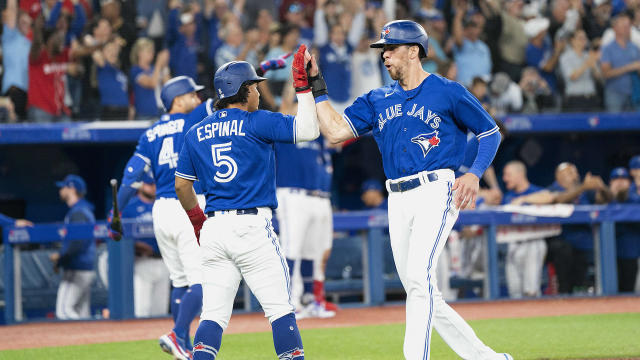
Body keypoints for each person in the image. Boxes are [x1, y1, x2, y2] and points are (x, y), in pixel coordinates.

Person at [306, 20, 512, 359]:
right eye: (383, 50)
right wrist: (317, 86)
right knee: (422, 288)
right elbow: (334, 131)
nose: (384, 56)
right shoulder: (377, 98)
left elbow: (490, 133)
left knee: (418, 279)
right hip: (396, 197)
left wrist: (474, 173)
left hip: (435, 189)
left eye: (391, 49)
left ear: (413, 51)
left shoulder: (448, 91)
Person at [174, 48, 319, 359]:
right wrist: (304, 88)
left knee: (213, 316)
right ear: (242, 90)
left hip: (213, 228)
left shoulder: (196, 132)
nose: (256, 91)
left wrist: (199, 221)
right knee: (280, 310)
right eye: (253, 86)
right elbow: (309, 129)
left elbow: (181, 186)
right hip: (251, 226)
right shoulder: (257, 121)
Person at [111, 75, 214, 360]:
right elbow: (227, 97)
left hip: (162, 210)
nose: (197, 98)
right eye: (192, 94)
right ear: (178, 100)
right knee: (203, 282)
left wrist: (114, 214)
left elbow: (131, 179)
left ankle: (183, 343)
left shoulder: (150, 133)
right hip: (188, 203)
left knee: (180, 282)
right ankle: (178, 334)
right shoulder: (193, 117)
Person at [275, 136, 336, 319]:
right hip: (292, 194)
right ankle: (289, 303)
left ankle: (309, 299)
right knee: (291, 249)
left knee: (311, 251)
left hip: (315, 195)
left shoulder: (316, 137)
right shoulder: (280, 130)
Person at [120, 181, 171, 317]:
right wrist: (135, 245)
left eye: (155, 184)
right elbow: (118, 235)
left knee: (161, 311)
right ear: (141, 185)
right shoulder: (129, 206)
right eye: (149, 184)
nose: (153, 187)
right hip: (141, 262)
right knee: (141, 310)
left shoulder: (164, 205)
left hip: (163, 261)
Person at [51, 174, 96, 320]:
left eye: (63, 187)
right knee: (82, 313)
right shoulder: (82, 209)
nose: (60, 190)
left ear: (71, 189)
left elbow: (77, 243)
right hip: (85, 267)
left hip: (77, 269)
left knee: (64, 312)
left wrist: (60, 259)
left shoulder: (79, 212)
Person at [501, 161, 547, 298]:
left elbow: (550, 196)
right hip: (513, 244)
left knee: (531, 291)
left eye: (508, 175)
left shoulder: (537, 192)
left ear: (520, 174)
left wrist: (524, 199)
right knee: (514, 293)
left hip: (533, 242)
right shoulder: (507, 197)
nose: (504, 178)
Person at [606, 166, 640, 292]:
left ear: (629, 183)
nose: (620, 182)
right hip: (607, 252)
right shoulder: (604, 197)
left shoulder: (634, 197)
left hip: (629, 252)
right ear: (610, 182)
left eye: (623, 179)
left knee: (628, 290)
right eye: (616, 179)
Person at [600, 12, 640, 112]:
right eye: (623, 26)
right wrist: (629, 67)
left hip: (633, 94)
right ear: (615, 28)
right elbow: (606, 73)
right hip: (615, 93)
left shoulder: (634, 47)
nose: (627, 28)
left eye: (628, 26)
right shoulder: (608, 48)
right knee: (613, 125)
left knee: (634, 125)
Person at [2, 0, 32, 120]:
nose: (25, 24)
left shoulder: (31, 43)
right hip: (14, 92)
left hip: (29, 95)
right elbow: (12, 11)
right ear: (16, 23)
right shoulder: (10, 38)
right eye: (22, 22)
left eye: (28, 22)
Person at [129, 38, 170, 120]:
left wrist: (164, 65)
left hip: (161, 110)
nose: (152, 53)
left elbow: (168, 86)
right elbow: (152, 84)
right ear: (139, 53)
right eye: (148, 51)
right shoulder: (135, 70)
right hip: (146, 113)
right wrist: (158, 64)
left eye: (152, 51)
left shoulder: (154, 69)